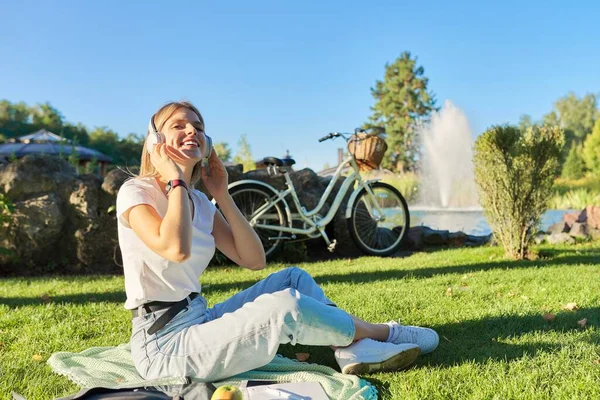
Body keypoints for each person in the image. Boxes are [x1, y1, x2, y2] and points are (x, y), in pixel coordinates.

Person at [116, 101, 439, 382]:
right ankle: (383, 332)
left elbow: (254, 260)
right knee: (286, 307)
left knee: (292, 279)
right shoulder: (136, 192)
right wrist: (175, 179)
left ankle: (349, 348)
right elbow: (175, 247)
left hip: (199, 317)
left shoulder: (200, 203)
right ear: (155, 141)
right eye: (179, 125)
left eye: (198, 126)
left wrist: (222, 195)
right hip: (164, 344)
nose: (192, 131)